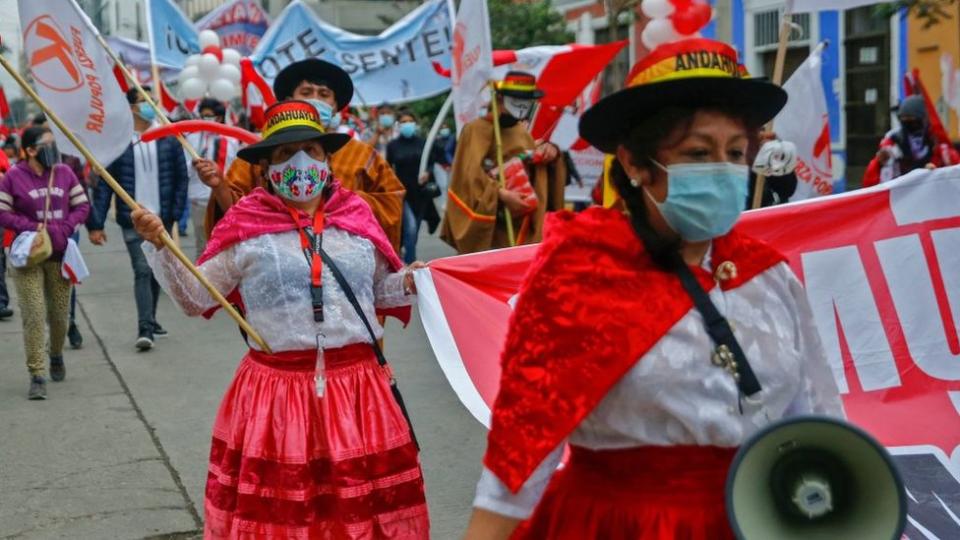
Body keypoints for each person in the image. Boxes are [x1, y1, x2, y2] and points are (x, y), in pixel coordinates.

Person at [463, 39, 843, 539]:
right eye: (697, 153)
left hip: (757, 521)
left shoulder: (769, 277)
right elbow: (522, 453)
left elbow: (818, 426)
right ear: (636, 163)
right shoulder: (578, 279)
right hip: (617, 525)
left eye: (734, 153)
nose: (723, 169)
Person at [132, 100, 429, 538]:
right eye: (286, 155)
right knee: (287, 520)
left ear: (328, 161)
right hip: (277, 396)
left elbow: (377, 292)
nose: (301, 163)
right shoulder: (245, 222)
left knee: (362, 515)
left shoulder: (356, 215)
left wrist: (409, 281)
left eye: (311, 150)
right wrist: (161, 245)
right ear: (267, 168)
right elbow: (196, 298)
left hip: (360, 392)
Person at [200, 59, 405, 251]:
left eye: (324, 94)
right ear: (289, 100)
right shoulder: (260, 154)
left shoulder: (361, 154)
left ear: (334, 107)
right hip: (274, 258)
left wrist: (345, 204)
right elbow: (233, 213)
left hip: (346, 257)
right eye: (306, 92)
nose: (315, 99)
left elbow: (391, 202)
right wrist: (220, 188)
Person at [89, 87, 189, 351]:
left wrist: (176, 213)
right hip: (132, 219)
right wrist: (95, 223)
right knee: (142, 270)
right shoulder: (119, 142)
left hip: (163, 217)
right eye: (145, 101)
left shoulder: (169, 137)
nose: (151, 105)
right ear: (131, 107)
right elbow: (105, 186)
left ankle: (152, 318)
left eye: (152, 101)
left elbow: (181, 179)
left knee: (156, 270)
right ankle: (145, 327)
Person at [0, 126, 90, 400]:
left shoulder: (64, 172)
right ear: (29, 150)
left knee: (60, 315)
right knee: (34, 314)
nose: (52, 148)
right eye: (46, 144)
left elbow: (82, 206)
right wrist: (31, 227)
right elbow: (2, 212)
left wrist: (66, 227)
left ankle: (56, 353)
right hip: (28, 256)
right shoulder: (13, 177)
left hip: (59, 255)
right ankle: (37, 374)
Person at [441, 71, 567, 254]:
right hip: (491, 227)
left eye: (527, 100)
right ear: (499, 98)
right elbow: (467, 178)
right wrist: (500, 194)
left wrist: (551, 154)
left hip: (521, 226)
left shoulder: (521, 132)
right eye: (517, 99)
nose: (523, 105)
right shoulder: (475, 130)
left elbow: (537, 172)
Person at [862, 95, 960, 187]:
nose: (909, 126)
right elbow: (870, 186)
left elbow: (956, 177)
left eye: (913, 122)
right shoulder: (892, 144)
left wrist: (935, 173)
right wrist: (879, 164)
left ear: (924, 120)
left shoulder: (940, 147)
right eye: (905, 122)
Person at [184, 98, 239, 259]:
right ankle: (200, 280)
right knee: (202, 245)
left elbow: (234, 168)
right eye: (202, 115)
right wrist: (193, 164)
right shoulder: (191, 138)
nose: (204, 119)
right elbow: (183, 168)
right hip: (199, 200)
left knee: (225, 245)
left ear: (219, 118)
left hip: (223, 199)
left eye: (208, 116)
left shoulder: (231, 139)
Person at [387, 109, 440, 264]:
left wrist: (427, 173)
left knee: (414, 231)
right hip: (402, 194)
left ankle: (406, 257)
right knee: (409, 228)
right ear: (398, 125)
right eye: (403, 122)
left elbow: (431, 163)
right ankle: (410, 264)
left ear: (415, 124)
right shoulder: (393, 146)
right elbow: (388, 168)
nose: (407, 124)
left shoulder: (423, 143)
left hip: (420, 193)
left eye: (409, 121)